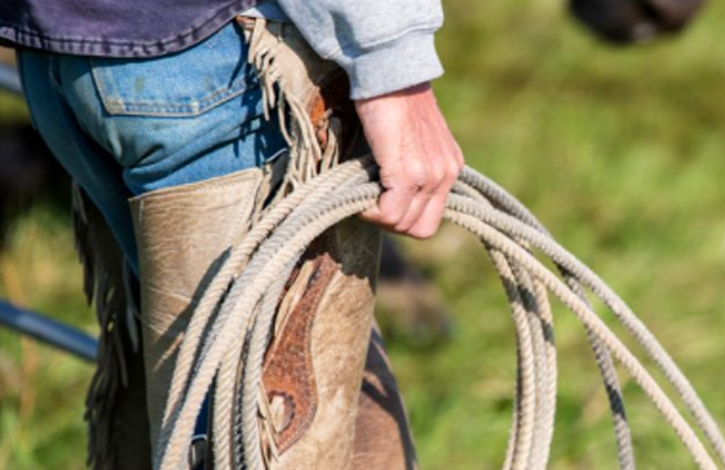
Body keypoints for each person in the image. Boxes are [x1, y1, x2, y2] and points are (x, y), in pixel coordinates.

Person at [1, 1, 463, 468]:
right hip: (212, 63)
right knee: (246, 426)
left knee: (218, 391)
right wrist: (393, 65)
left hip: (60, 48)